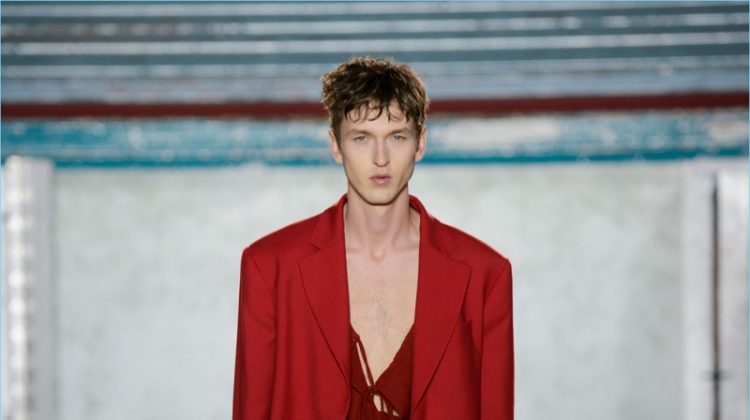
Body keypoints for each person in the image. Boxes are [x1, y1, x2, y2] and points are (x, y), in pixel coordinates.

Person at [232, 56, 513, 419]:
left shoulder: (484, 274)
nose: (380, 158)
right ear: (336, 145)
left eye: (397, 137)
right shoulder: (269, 268)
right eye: (362, 138)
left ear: (420, 143)